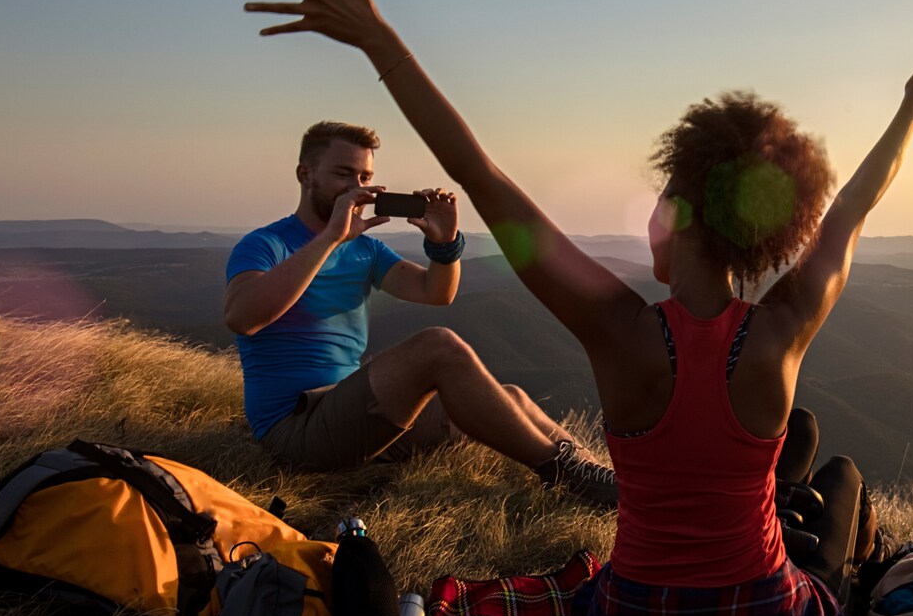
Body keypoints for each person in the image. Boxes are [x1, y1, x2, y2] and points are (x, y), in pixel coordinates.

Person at [245, 0, 913, 616]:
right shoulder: (784, 327)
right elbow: (851, 209)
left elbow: (479, 174)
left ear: (678, 217)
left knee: (808, 466)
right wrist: (910, 111)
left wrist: (379, 41)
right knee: (839, 476)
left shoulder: (617, 328)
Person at [221, 119, 618, 505]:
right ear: (305, 174)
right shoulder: (266, 244)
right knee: (437, 346)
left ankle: (603, 478)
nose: (358, 187)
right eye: (344, 174)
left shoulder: (365, 249)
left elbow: (436, 292)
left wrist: (445, 245)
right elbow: (242, 318)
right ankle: (563, 473)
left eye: (365, 176)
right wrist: (329, 239)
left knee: (509, 398)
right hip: (294, 430)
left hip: (351, 414)